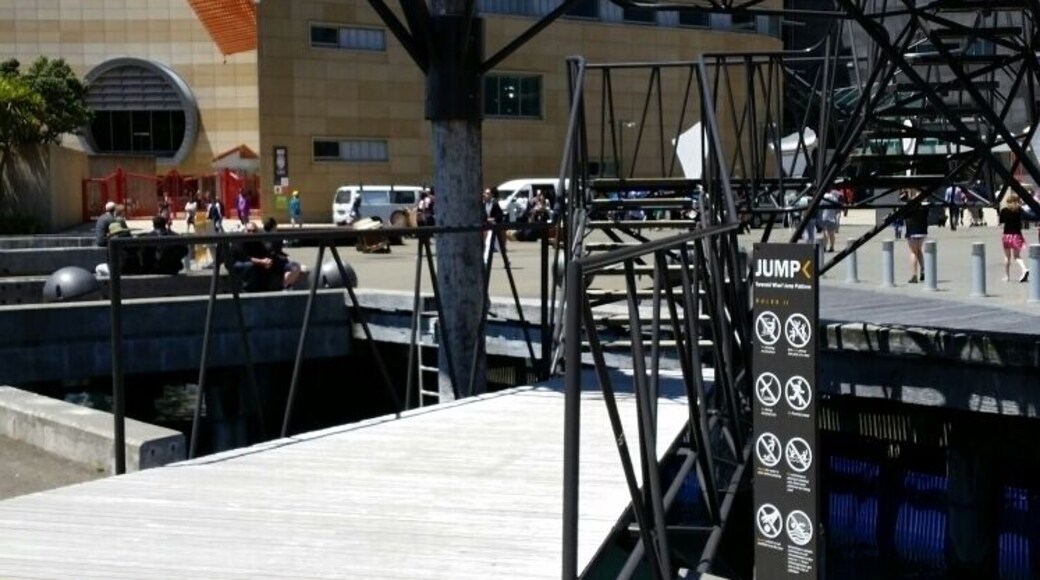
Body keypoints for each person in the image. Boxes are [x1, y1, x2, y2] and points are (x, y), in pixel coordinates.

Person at [998, 191, 1030, 282]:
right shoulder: (1019, 210)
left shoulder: (1004, 210)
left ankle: (1007, 276)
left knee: (1007, 257)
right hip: (1017, 235)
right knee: (1017, 256)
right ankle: (1024, 269)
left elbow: (1001, 223)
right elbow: (1027, 218)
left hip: (1007, 236)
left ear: (1008, 201)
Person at [902, 189, 930, 284]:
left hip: (912, 230)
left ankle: (914, 275)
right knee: (919, 250)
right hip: (923, 231)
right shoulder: (925, 206)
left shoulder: (911, 205)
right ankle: (923, 270)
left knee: (913, 252)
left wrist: (909, 198)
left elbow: (905, 215)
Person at [818, 188, 842, 252]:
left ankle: (824, 246)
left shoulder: (823, 197)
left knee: (825, 233)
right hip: (832, 217)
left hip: (824, 217)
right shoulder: (834, 198)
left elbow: (820, 207)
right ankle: (832, 247)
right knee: (832, 234)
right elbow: (837, 209)